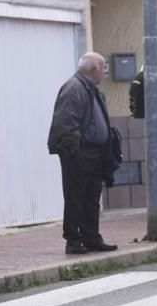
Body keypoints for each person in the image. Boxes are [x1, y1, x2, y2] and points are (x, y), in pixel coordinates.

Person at [47, 53, 119, 255]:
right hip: (80, 152)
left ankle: (91, 236)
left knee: (91, 197)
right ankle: (74, 239)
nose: (105, 72)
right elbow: (65, 123)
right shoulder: (74, 88)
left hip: (94, 153)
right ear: (92, 69)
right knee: (76, 197)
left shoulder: (89, 88)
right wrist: (75, 150)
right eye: (103, 68)